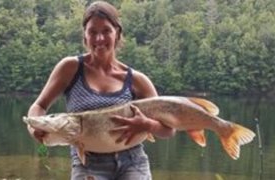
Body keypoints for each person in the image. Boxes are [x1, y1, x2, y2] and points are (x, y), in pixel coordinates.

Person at [26, 1, 176, 179]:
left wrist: (147, 125)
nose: (99, 39)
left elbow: (168, 130)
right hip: (87, 163)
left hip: (133, 161)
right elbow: (39, 106)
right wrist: (34, 128)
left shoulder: (138, 80)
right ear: (85, 35)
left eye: (106, 31)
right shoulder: (70, 68)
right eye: (92, 32)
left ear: (117, 33)